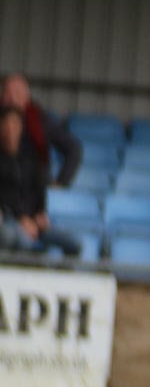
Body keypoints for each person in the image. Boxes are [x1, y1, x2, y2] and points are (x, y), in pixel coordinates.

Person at [0, 107, 84, 258]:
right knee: (17, 240)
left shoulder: (32, 158)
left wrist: (41, 213)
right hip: (9, 221)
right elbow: (5, 197)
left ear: (21, 128)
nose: (11, 130)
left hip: (34, 221)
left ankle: (63, 277)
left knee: (74, 243)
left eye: (15, 125)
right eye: (7, 125)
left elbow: (40, 188)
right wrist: (21, 219)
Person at [1, 74, 82, 190]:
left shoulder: (41, 120)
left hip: (34, 190)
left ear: (26, 96)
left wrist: (60, 183)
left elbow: (74, 149)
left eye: (17, 93)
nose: (12, 99)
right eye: (7, 93)